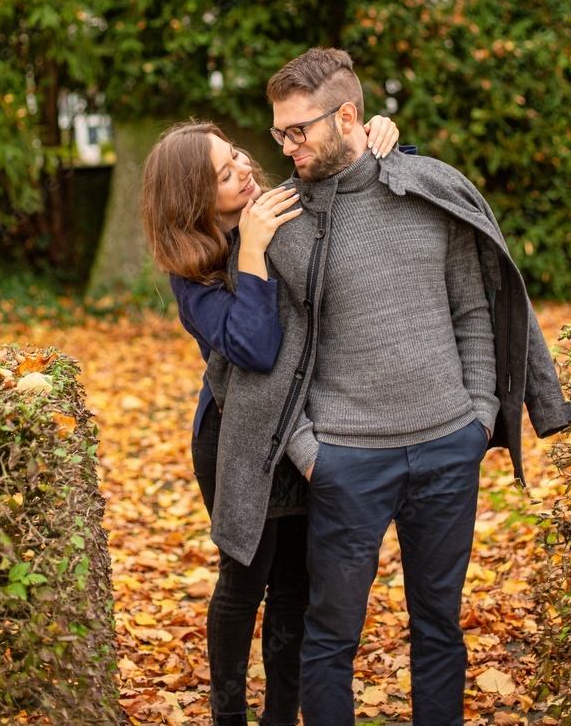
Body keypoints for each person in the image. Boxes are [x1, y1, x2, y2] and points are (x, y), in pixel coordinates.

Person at [203, 48, 571, 726]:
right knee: (331, 637)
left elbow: (470, 309)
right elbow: (266, 363)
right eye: (277, 131)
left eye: (297, 130)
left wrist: (475, 419)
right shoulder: (277, 229)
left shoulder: (428, 190)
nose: (283, 147)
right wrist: (315, 454)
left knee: (439, 626)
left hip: (445, 451)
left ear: (347, 116)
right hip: (346, 463)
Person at [140, 113, 400, 726]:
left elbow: (343, 181)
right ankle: (227, 714)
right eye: (224, 175)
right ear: (194, 199)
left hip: (307, 429)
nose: (245, 172)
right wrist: (251, 251)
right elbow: (254, 349)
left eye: (237, 157)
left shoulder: (280, 200)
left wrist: (383, 140)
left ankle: (281, 716)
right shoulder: (193, 272)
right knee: (243, 581)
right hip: (237, 439)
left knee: (293, 586)